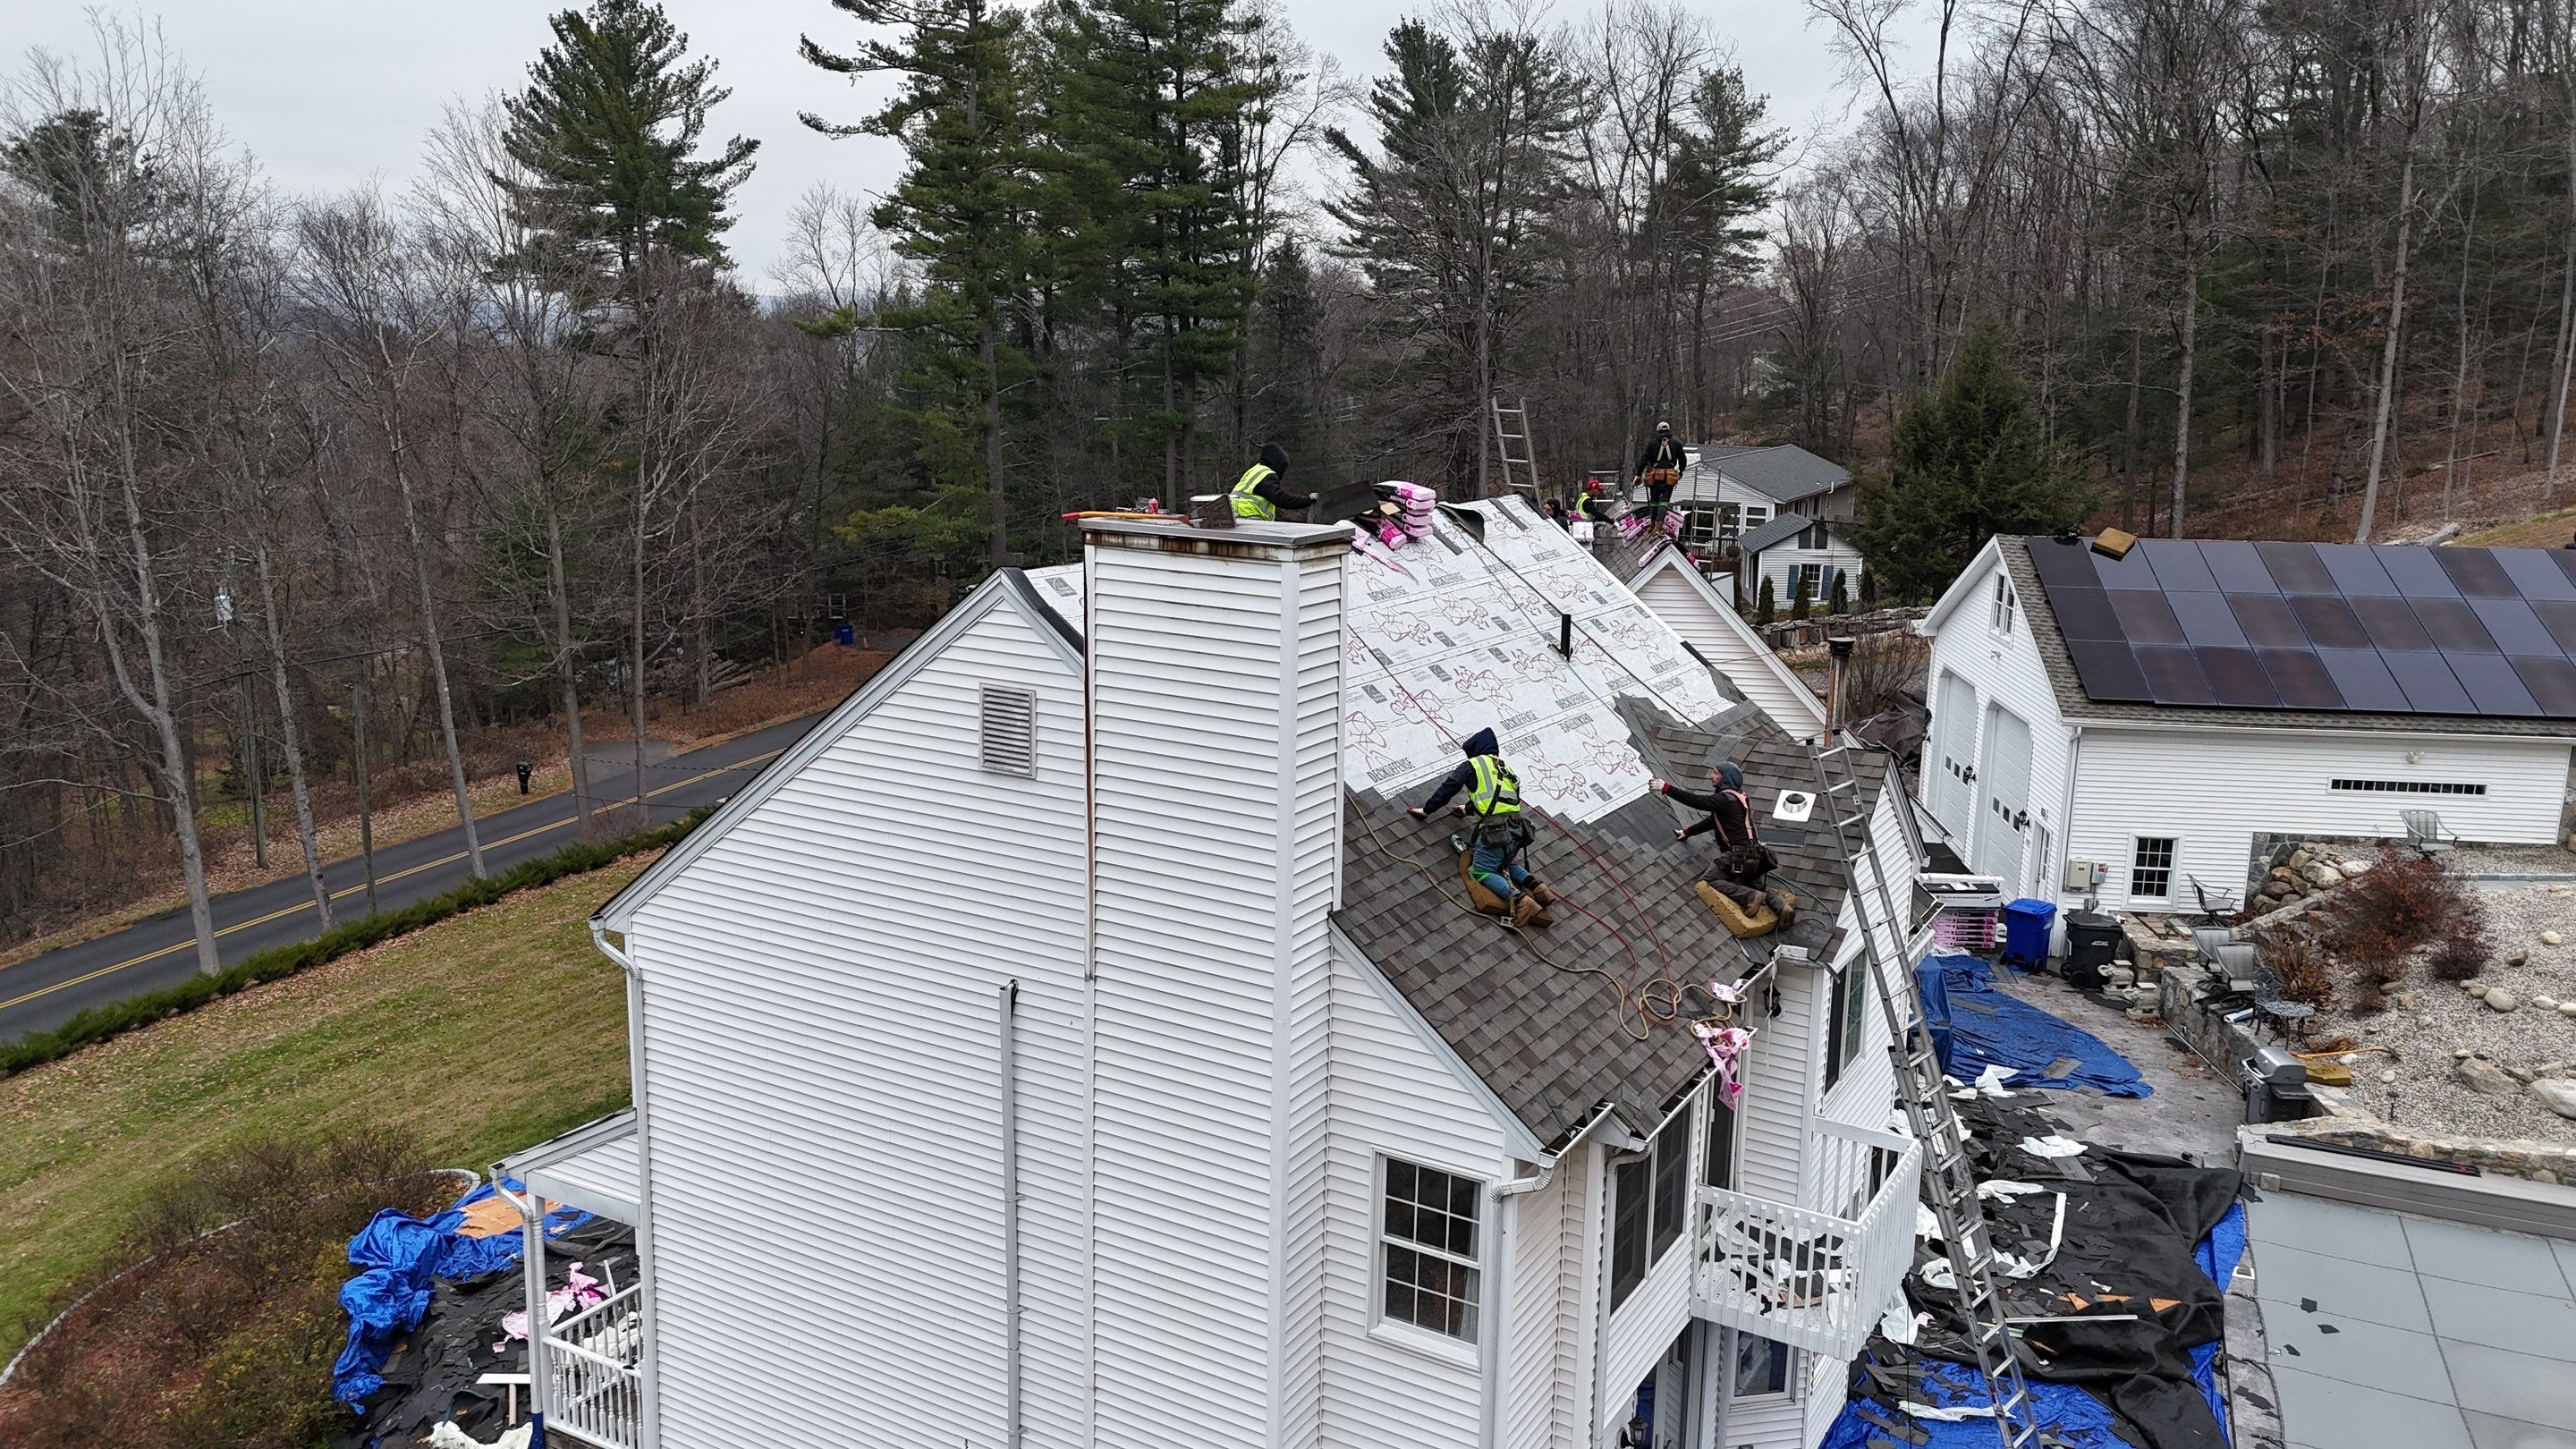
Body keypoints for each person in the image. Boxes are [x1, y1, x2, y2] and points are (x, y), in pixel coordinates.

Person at [1411, 727, 1558, 928]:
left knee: (1481, 870)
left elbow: (1449, 787)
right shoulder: (1507, 769)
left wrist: (1426, 810)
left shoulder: (1473, 764)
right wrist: (1466, 809)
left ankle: (1521, 900)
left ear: (1475, 750)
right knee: (1505, 862)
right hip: (1517, 830)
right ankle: (1539, 888)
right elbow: (1498, 801)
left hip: (1495, 832)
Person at [1655, 761, 1796, 926]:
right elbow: (1714, 821)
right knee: (1754, 883)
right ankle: (1782, 906)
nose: (1711, 776)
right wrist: (1687, 832)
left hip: (1738, 854)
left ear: (1726, 777)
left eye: (1715, 773)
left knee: (1709, 880)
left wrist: (1666, 788)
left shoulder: (1724, 798)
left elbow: (1698, 802)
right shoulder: (1738, 797)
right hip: (1755, 854)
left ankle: (1750, 897)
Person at [1229, 442, 1313, 520]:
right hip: (1248, 515)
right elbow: (1282, 499)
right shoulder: (1267, 475)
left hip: (1232, 513)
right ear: (1278, 464)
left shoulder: (1254, 470)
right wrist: (1307, 500)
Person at [1634, 421, 1685, 525]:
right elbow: (1683, 459)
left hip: (1655, 476)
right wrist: (1681, 471)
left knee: (1655, 502)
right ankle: (1658, 527)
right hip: (1670, 476)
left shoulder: (1652, 444)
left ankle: (1652, 525)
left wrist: (1638, 474)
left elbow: (1644, 460)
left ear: (1658, 431)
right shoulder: (1676, 443)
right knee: (1664, 502)